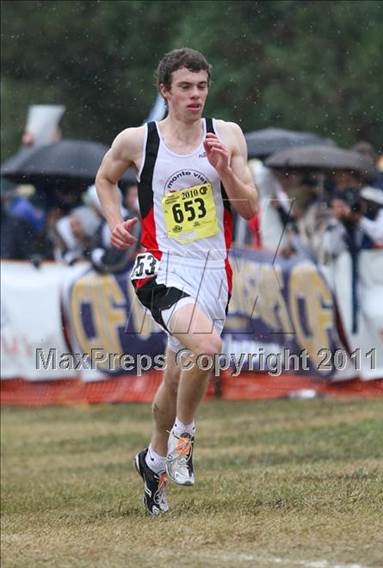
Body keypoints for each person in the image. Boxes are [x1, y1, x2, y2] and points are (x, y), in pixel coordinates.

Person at [95, 48, 258, 515]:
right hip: (159, 267)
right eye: (185, 87)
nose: (195, 95)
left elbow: (249, 209)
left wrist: (224, 169)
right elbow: (105, 178)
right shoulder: (137, 140)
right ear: (164, 90)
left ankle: (154, 460)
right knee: (207, 350)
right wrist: (113, 221)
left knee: (173, 379)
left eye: (202, 86)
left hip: (213, 272)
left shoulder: (226, 135)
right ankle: (185, 438)